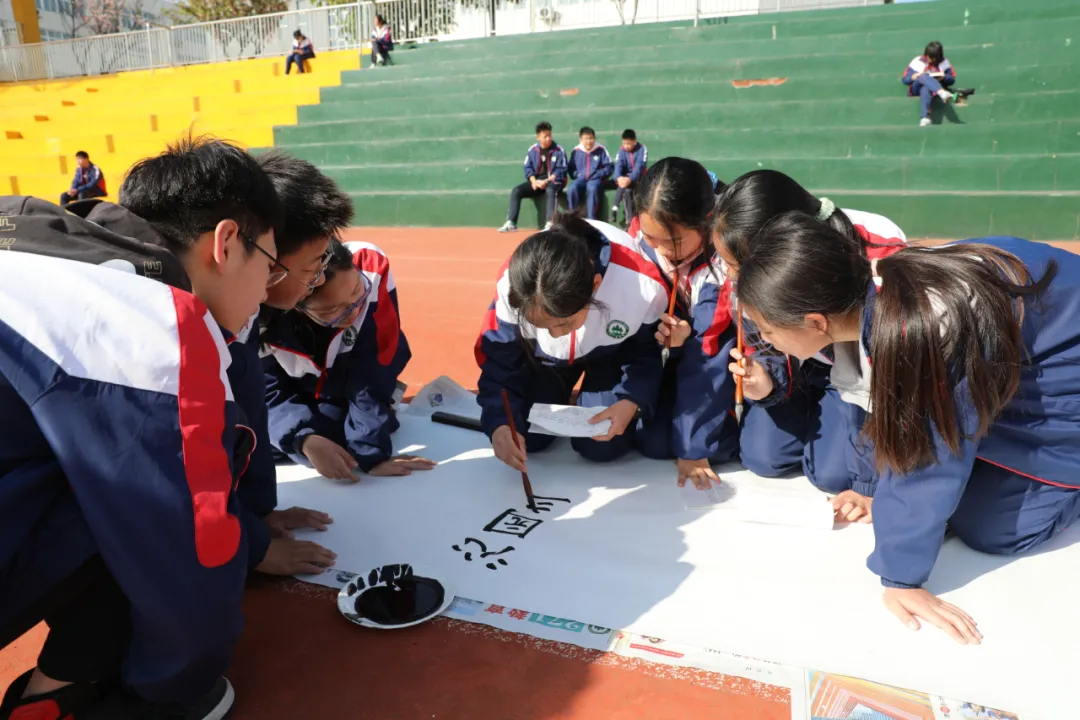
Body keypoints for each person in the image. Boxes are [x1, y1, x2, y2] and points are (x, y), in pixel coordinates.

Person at [0, 137, 285, 718]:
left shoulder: (28, 239)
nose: (268, 289)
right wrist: (168, 684)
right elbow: (193, 572)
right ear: (227, 243)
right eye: (270, 264)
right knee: (158, 529)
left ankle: (57, 689)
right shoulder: (152, 325)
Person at [734, 212, 1080, 643]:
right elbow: (875, 406)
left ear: (814, 323)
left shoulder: (925, 330)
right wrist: (872, 487)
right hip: (1019, 363)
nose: (766, 341)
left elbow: (931, 453)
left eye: (767, 330)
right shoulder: (872, 296)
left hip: (1064, 376)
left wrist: (902, 578)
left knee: (992, 529)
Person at [713, 170, 905, 521]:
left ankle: (833, 419)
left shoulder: (880, 251)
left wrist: (870, 485)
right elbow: (768, 342)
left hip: (860, 373)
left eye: (734, 265)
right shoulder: (742, 264)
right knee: (762, 458)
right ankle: (816, 411)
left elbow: (887, 369)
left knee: (831, 475)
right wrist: (766, 380)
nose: (728, 276)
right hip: (804, 361)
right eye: (724, 262)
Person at [227, 149, 366, 577]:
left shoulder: (247, 310)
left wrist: (254, 519)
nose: (320, 278)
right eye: (313, 265)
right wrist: (251, 549)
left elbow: (249, 416)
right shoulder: (192, 329)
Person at [477, 211, 669, 468]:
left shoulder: (641, 284)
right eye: (540, 324)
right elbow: (499, 360)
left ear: (595, 286)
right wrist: (500, 422)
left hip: (610, 356)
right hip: (545, 360)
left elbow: (645, 354)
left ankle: (591, 390)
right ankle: (560, 392)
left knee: (601, 444)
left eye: (565, 323)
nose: (555, 333)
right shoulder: (515, 283)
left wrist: (631, 400)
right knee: (525, 434)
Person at [262, 240, 434, 481]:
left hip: (343, 384)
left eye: (356, 292)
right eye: (331, 312)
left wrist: (370, 451)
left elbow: (373, 372)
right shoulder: (262, 310)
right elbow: (266, 391)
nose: (353, 312)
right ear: (296, 306)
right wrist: (304, 440)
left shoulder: (369, 267)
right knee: (244, 439)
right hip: (300, 392)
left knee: (343, 432)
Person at [633, 158, 741, 489]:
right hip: (674, 352)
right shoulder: (642, 240)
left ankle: (741, 421)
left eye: (673, 240)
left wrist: (694, 450)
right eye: (651, 236)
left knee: (711, 447)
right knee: (652, 443)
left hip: (716, 359)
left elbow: (708, 353)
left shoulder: (722, 263)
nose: (660, 249)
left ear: (706, 222)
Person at [499, 121, 568, 233]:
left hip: (554, 181)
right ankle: (511, 222)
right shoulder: (532, 150)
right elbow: (527, 168)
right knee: (517, 191)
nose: (548, 138)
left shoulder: (559, 150)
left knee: (551, 190)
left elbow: (561, 170)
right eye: (545, 136)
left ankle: (550, 223)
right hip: (537, 183)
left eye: (550, 135)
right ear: (538, 137)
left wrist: (546, 181)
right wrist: (534, 182)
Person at [902, 41, 973, 127]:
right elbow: (905, 80)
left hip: (931, 90)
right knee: (923, 76)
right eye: (930, 57)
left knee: (925, 88)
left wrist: (944, 77)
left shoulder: (944, 62)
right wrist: (912, 77)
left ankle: (925, 118)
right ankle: (943, 93)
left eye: (935, 58)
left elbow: (952, 80)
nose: (932, 60)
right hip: (915, 89)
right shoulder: (917, 61)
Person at [567, 126, 613, 221]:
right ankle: (574, 218)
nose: (589, 141)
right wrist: (577, 175)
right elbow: (571, 169)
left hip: (596, 180)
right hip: (581, 179)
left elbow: (609, 167)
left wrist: (598, 174)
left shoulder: (601, 150)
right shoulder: (576, 151)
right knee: (572, 188)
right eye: (586, 139)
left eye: (591, 138)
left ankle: (592, 219)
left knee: (592, 188)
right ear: (580, 139)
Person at [610, 129, 648, 226]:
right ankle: (628, 220)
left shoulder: (642, 149)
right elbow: (618, 165)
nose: (626, 146)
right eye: (624, 143)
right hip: (626, 180)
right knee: (626, 191)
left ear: (634, 141)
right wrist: (618, 178)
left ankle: (615, 208)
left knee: (627, 189)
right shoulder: (622, 150)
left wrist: (629, 179)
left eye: (628, 144)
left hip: (639, 179)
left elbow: (639, 168)